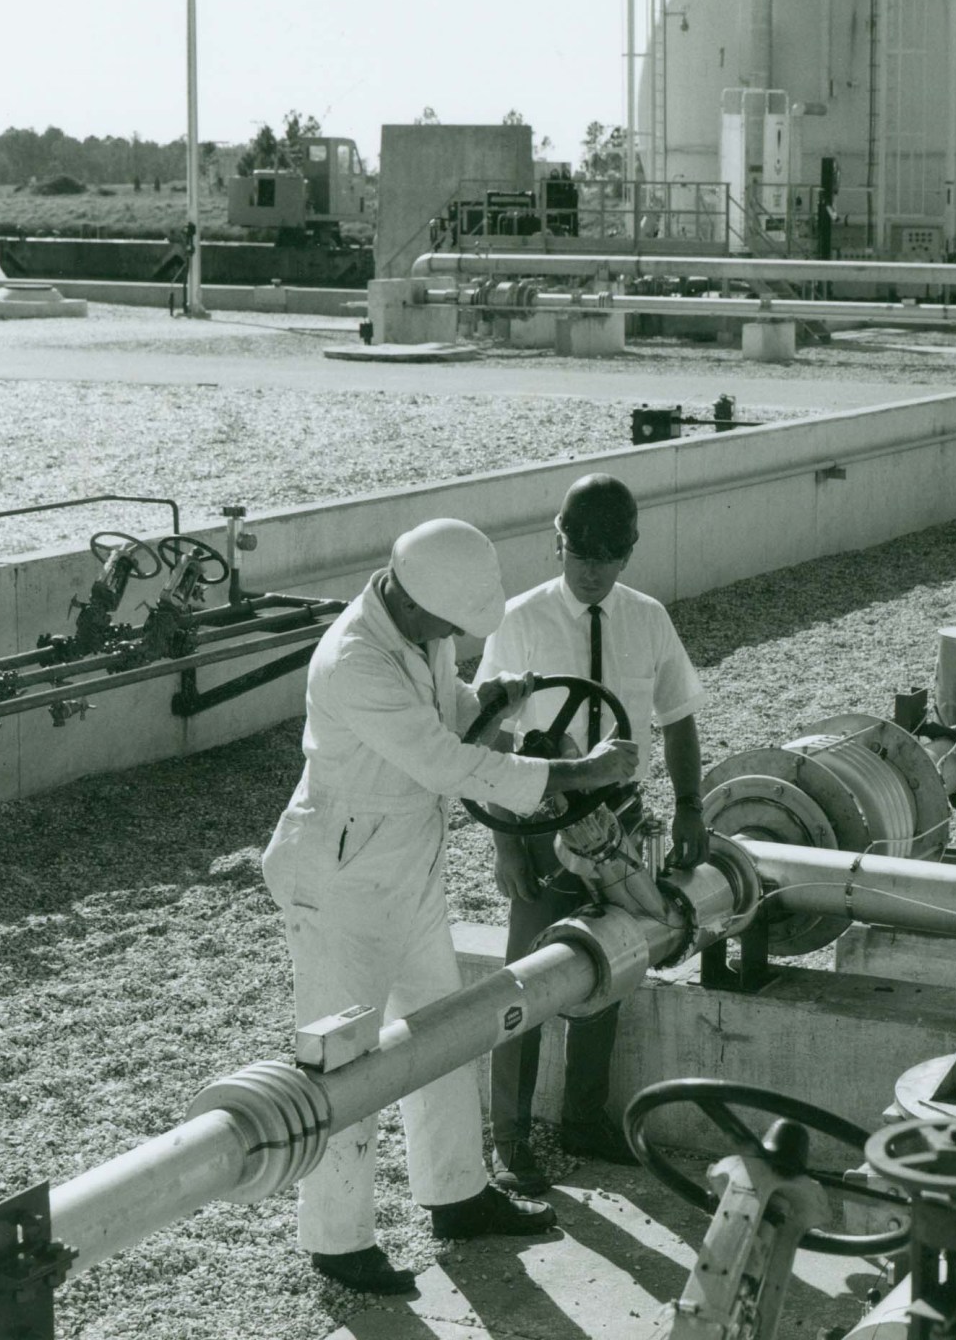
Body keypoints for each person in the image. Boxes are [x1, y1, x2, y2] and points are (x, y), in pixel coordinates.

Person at [260, 517, 639, 1296]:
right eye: (453, 626)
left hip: (402, 864)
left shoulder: (417, 626)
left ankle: (456, 1194)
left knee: (445, 1033)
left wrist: (489, 700)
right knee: (346, 1062)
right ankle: (336, 1242)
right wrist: (582, 774)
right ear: (411, 595)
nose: (456, 638)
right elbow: (445, 762)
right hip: (339, 881)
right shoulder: (356, 658)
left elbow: (449, 713)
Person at [474, 474, 708, 1195]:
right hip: (539, 819)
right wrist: (508, 845)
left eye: (609, 555)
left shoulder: (647, 619)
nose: (592, 568)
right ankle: (510, 1138)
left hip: (622, 819)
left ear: (630, 552)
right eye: (580, 551)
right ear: (558, 539)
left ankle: (583, 1118)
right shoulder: (518, 620)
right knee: (526, 982)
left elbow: (678, 716)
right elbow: (487, 743)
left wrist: (693, 806)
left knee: (613, 964)